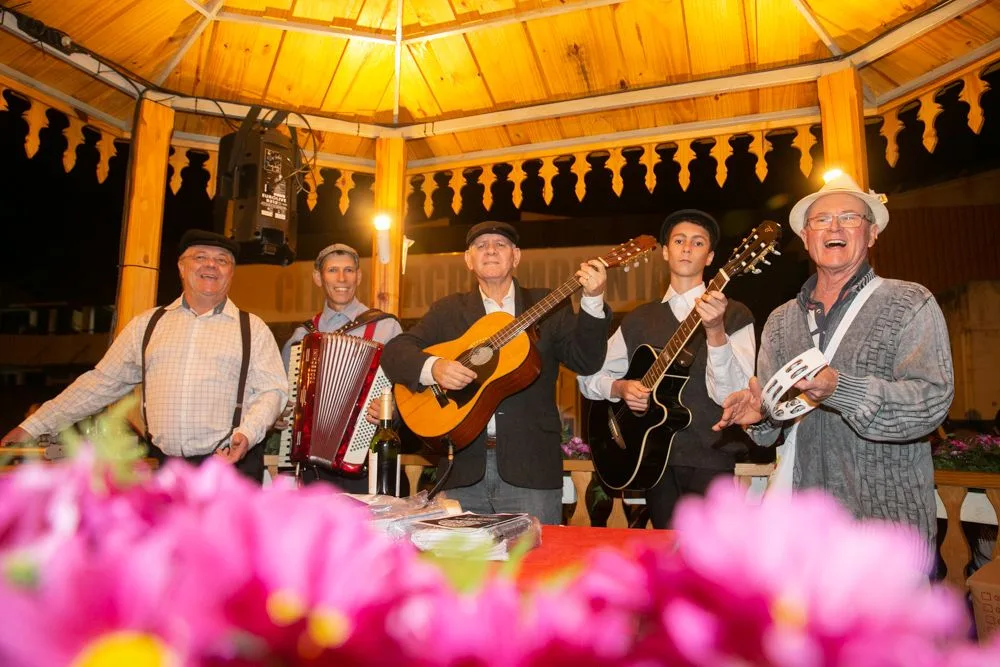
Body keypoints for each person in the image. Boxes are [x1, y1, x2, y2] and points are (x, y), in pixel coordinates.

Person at [713, 173, 954, 548]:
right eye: (821, 220)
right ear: (807, 238)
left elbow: (931, 401)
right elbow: (774, 425)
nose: (835, 226)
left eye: (850, 217)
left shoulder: (909, 302)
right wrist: (758, 414)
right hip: (803, 525)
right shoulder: (780, 320)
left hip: (884, 525)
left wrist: (839, 389)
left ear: (872, 234)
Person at [1, 230, 288, 483]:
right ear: (181, 266)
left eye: (222, 260)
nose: (211, 265)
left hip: (231, 467)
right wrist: (33, 426)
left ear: (231, 272)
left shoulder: (253, 328)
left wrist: (247, 433)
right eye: (200, 257)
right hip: (166, 468)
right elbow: (100, 383)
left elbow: (272, 391)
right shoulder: (148, 325)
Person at [380, 221, 611, 524]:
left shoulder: (547, 304)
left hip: (531, 470)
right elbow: (395, 352)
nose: (490, 249)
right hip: (461, 467)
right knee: (463, 570)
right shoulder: (448, 310)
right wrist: (434, 368)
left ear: (516, 256)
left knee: (534, 569)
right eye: (481, 245)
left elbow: (587, 361)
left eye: (500, 244)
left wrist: (592, 300)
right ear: (468, 259)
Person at [578, 209, 755, 528]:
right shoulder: (638, 319)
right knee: (667, 562)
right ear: (665, 251)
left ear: (711, 256)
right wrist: (620, 388)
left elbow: (732, 395)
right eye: (679, 240)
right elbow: (590, 377)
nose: (687, 247)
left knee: (708, 563)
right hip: (652, 461)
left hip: (711, 458)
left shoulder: (736, 315)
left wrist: (715, 331)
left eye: (698, 242)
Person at [280, 243, 402, 492]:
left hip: (370, 460)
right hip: (313, 469)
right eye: (332, 270)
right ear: (318, 277)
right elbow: (282, 397)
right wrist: (282, 415)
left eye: (349, 270)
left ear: (358, 276)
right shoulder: (301, 336)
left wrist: (393, 409)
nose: (342, 278)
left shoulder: (386, 328)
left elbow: (408, 391)